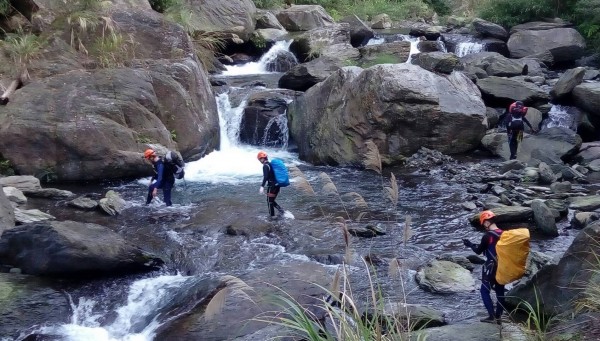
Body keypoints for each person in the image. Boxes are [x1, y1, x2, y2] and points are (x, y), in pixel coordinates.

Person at [463, 210, 506, 324]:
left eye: (483, 224)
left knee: (484, 291)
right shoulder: (504, 233)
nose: (484, 226)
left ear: (487, 222)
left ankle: (492, 316)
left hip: (491, 267)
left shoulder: (487, 236)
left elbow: (478, 251)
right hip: (502, 266)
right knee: (500, 291)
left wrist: (470, 244)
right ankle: (499, 316)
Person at [257, 151, 284, 219]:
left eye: (260, 159)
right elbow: (275, 175)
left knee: (269, 202)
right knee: (272, 201)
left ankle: (272, 216)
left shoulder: (265, 166)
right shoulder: (271, 164)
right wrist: (280, 186)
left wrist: (262, 186)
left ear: (262, 158)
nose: (260, 161)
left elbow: (265, 177)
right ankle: (282, 211)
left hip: (271, 186)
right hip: (277, 185)